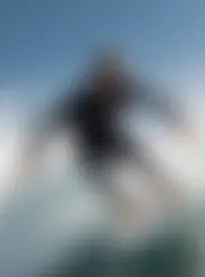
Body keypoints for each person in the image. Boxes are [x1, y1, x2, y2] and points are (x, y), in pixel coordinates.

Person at [19, 49, 190, 223]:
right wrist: (32, 154)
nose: (112, 83)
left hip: (114, 138)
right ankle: (127, 209)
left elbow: (154, 101)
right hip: (90, 151)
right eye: (106, 79)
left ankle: (169, 192)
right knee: (105, 183)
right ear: (97, 80)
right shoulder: (82, 102)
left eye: (115, 76)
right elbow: (51, 123)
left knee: (142, 157)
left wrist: (178, 123)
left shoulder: (125, 88)